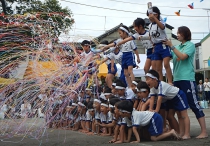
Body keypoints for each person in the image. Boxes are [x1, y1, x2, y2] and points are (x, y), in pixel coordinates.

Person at [164, 26, 208, 139]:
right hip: (176, 79)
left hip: (187, 79)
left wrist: (171, 46)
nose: (177, 35)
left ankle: (204, 131)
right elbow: (169, 58)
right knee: (180, 107)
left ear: (185, 34)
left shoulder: (190, 45)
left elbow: (183, 57)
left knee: (194, 105)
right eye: (177, 33)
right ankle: (183, 133)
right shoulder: (177, 47)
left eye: (179, 33)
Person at [145, 70, 190, 139]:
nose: (146, 81)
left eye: (148, 79)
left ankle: (187, 134)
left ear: (154, 79)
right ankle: (178, 133)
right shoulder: (152, 88)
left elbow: (159, 99)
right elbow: (152, 99)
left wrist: (156, 110)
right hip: (170, 99)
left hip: (178, 95)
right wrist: (151, 109)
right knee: (169, 116)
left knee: (183, 115)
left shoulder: (161, 85)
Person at [147, 6, 173, 84]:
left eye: (151, 15)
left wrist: (155, 19)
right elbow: (151, 36)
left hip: (164, 45)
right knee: (158, 68)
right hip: (156, 46)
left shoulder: (162, 21)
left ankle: (170, 81)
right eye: (148, 15)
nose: (149, 17)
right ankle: (160, 82)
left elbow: (162, 27)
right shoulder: (150, 25)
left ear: (156, 15)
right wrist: (153, 45)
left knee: (166, 64)